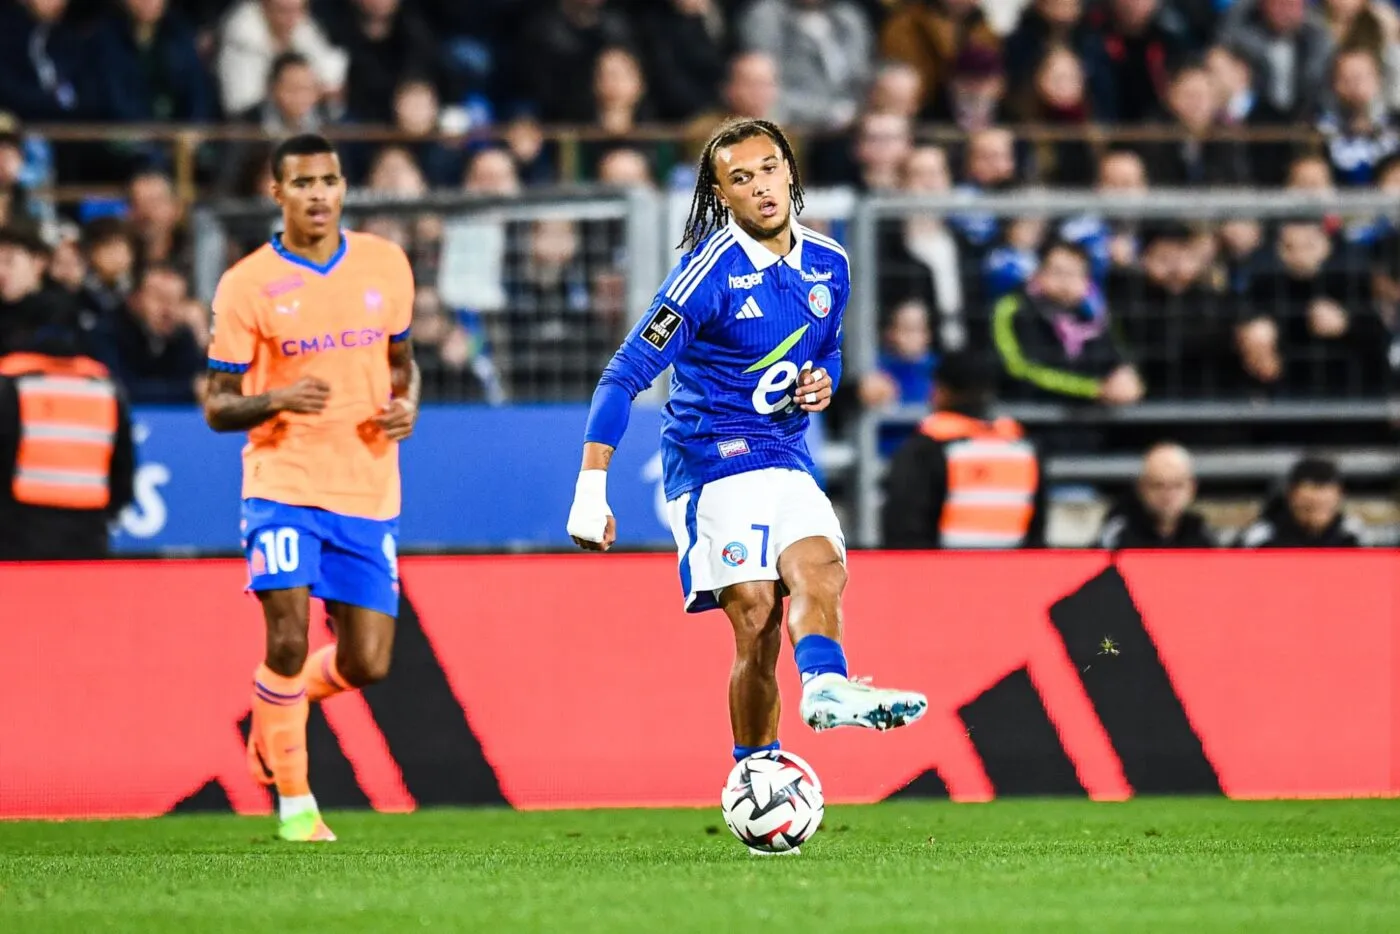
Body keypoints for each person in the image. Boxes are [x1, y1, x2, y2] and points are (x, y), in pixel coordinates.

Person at [565, 119, 927, 854]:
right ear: (720, 194)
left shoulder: (830, 262)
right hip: (711, 459)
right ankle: (757, 767)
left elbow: (823, 352)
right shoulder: (705, 276)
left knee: (821, 566)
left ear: (790, 171)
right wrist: (590, 485)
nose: (760, 186)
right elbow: (623, 375)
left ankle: (825, 686)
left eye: (768, 169)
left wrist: (822, 383)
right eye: (740, 178)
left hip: (785, 452)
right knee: (757, 617)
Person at [203, 134, 420, 843]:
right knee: (289, 637)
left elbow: (403, 363)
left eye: (328, 180)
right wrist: (278, 399)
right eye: (302, 183)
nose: (318, 194)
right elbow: (216, 405)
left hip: (367, 486)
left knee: (368, 662)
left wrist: (407, 404)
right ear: (278, 193)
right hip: (283, 481)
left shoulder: (386, 264)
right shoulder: (246, 284)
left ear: (344, 187)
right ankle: (296, 807)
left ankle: (277, 712)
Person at [881, 350, 1045, 550]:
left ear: (941, 391)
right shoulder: (1025, 450)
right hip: (1012, 567)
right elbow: (1037, 533)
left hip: (943, 567)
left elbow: (903, 530)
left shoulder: (926, 448)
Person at [0, 326, 135, 560]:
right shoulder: (105, 387)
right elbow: (123, 465)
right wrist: (108, 511)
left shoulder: (12, 384)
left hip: (22, 528)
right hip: (88, 528)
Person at [1096, 442, 1217, 549]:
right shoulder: (1120, 533)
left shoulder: (1200, 533)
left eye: (1177, 485)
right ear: (1141, 487)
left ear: (1192, 488)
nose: (1168, 495)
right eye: (1158, 485)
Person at [1238, 456, 1364, 547]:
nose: (1316, 516)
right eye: (1308, 508)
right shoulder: (1262, 538)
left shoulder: (1353, 536)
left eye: (1324, 507)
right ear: (1291, 498)